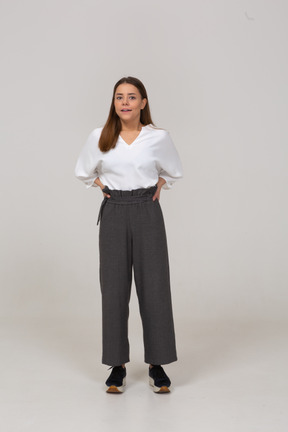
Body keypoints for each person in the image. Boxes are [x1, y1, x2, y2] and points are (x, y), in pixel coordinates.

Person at [74, 76, 183, 394]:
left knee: (155, 287)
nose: (124, 102)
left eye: (131, 97)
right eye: (119, 96)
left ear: (143, 103)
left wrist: (160, 185)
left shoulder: (158, 137)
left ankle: (157, 364)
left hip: (147, 210)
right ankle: (117, 364)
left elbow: (174, 171)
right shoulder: (101, 135)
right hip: (114, 211)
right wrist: (101, 186)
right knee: (114, 289)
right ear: (114, 102)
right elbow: (83, 171)